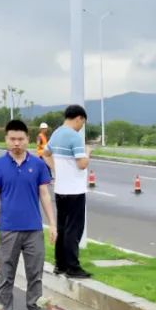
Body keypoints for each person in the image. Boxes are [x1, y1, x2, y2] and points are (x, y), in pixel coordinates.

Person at [0, 119, 57, 310]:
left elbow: (45, 195)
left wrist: (52, 224)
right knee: (6, 274)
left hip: (33, 229)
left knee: (35, 274)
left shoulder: (38, 165)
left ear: (27, 140)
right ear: (6, 139)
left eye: (20, 139)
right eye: (12, 139)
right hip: (9, 229)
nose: (16, 143)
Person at [41, 106, 91, 278]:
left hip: (60, 189)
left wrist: (56, 169)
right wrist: (88, 153)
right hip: (75, 190)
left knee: (62, 227)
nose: (81, 126)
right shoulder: (75, 137)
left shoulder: (56, 133)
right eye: (82, 123)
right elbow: (82, 164)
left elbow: (45, 153)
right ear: (79, 118)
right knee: (74, 229)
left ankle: (60, 264)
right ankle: (72, 267)